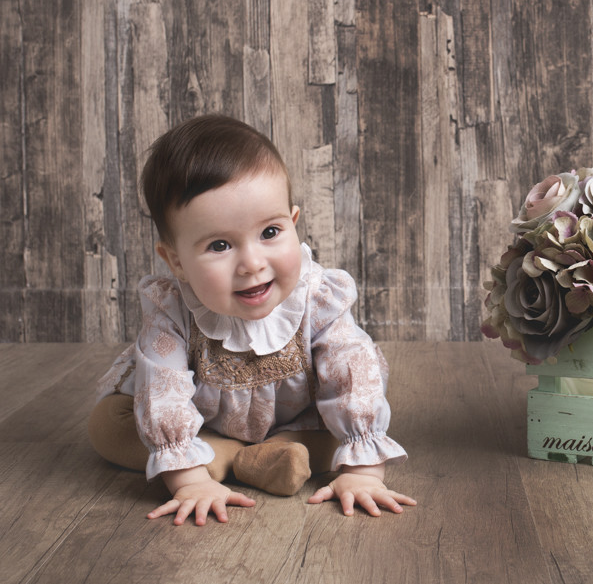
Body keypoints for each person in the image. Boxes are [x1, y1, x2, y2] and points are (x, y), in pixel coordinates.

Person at [88, 114, 415, 526]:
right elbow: (162, 393)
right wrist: (190, 483)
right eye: (219, 245)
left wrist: (363, 473)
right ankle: (229, 459)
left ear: (293, 223)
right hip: (197, 424)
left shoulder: (318, 298)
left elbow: (352, 376)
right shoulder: (170, 308)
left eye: (270, 233)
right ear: (176, 261)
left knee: (346, 419)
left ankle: (261, 453)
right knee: (108, 425)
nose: (252, 263)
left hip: (297, 420)